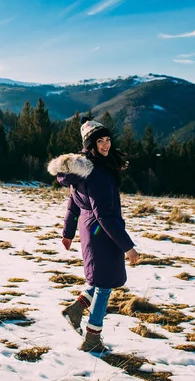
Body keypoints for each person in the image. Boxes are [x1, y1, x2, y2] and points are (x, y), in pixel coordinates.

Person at [47, 117, 139, 354]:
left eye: (108, 139)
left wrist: (68, 233)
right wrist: (128, 246)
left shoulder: (81, 169)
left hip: (90, 231)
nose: (106, 145)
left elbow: (73, 205)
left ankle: (76, 310)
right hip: (102, 234)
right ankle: (92, 338)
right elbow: (105, 216)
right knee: (105, 285)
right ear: (90, 144)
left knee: (98, 278)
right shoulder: (96, 173)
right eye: (101, 141)